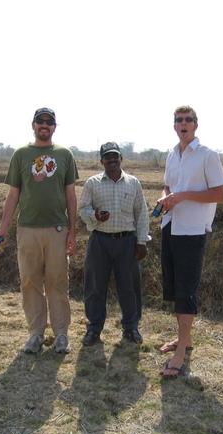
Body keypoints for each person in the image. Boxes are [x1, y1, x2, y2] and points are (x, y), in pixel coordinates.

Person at [0, 107, 78, 354]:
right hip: (27, 229)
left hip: (57, 230)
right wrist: (3, 229)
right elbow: (13, 194)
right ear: (33, 125)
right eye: (41, 121)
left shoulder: (65, 155)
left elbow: (71, 196)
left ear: (54, 127)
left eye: (49, 122)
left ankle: (61, 335)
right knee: (29, 281)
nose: (45, 125)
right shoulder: (21, 155)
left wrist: (72, 231)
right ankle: (36, 334)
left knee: (58, 282)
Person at [157, 106, 223, 378]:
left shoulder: (208, 156)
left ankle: (180, 353)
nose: (183, 124)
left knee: (186, 291)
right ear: (174, 126)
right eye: (178, 120)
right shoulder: (172, 155)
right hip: (171, 225)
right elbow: (167, 185)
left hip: (192, 231)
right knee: (175, 289)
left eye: (188, 120)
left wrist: (183, 196)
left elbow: (220, 194)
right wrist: (166, 199)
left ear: (196, 125)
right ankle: (184, 339)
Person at [78, 142, 149, 346]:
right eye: (107, 157)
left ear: (121, 159)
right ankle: (93, 329)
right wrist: (95, 215)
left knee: (129, 287)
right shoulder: (92, 183)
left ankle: (131, 327)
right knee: (95, 287)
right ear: (101, 161)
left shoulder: (133, 183)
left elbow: (141, 214)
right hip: (99, 241)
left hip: (127, 241)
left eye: (115, 156)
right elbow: (83, 209)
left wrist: (141, 241)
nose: (112, 160)